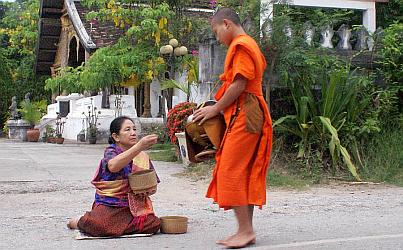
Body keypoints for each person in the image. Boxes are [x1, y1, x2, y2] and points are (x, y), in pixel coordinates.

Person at [192, 7, 273, 248]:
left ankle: (246, 230)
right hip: (246, 112)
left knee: (230, 169)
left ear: (226, 24)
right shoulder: (244, 45)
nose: (217, 38)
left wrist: (215, 109)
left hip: (246, 113)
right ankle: (245, 230)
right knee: (242, 170)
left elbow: (239, 83)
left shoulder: (241, 45)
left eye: (216, 32)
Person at [67, 116, 161, 237]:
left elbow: (153, 186)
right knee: (100, 225)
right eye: (127, 130)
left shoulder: (142, 156)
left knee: (153, 224)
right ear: (116, 137)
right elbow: (113, 166)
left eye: (134, 129)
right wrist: (139, 146)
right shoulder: (111, 151)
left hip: (134, 206)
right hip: (111, 204)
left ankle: (119, 226)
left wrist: (146, 189)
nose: (133, 133)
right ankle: (79, 221)